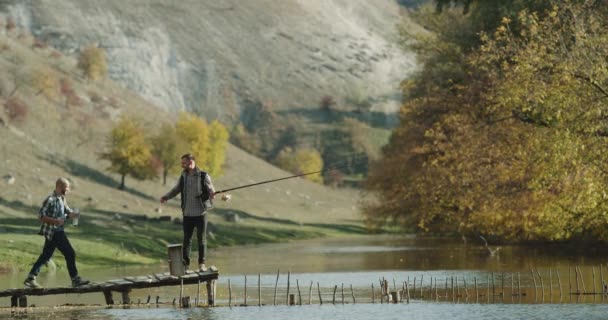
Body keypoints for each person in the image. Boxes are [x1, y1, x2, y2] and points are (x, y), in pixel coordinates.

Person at [24, 178, 90, 288]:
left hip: (56, 232)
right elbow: (40, 216)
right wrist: (55, 221)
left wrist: (73, 215)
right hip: (54, 232)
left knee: (46, 255)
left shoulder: (62, 199)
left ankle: (30, 278)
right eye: (66, 187)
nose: (68, 190)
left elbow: (66, 213)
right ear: (59, 187)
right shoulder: (50, 199)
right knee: (70, 253)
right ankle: (75, 279)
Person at [161, 153, 216, 272]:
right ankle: (186, 265)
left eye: (184, 163)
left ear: (191, 162)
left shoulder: (203, 175)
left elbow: (211, 190)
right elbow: (176, 189)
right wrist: (166, 197)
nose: (182, 165)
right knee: (187, 240)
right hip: (187, 213)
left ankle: (202, 264)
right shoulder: (183, 176)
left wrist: (212, 194)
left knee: (201, 239)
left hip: (201, 213)